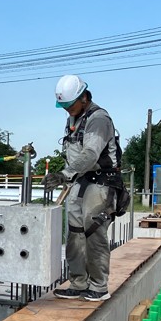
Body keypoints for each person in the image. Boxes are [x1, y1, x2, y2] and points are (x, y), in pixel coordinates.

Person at [43, 75, 127, 302]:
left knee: (93, 230)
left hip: (101, 181)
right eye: (64, 106)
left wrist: (64, 174)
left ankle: (99, 286)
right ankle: (79, 282)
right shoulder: (74, 119)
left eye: (69, 105)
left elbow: (90, 154)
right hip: (80, 181)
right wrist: (68, 175)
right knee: (75, 234)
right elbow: (75, 155)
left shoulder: (99, 119)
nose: (66, 109)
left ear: (83, 97)